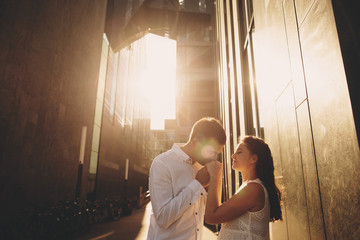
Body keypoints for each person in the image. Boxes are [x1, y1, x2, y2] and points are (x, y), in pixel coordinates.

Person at [147, 117, 226, 240]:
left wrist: (215, 181)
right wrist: (198, 184)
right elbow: (162, 218)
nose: (214, 158)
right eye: (211, 151)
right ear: (196, 141)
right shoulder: (162, 163)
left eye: (217, 153)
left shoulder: (204, 168)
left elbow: (211, 215)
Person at [205, 136, 282, 240]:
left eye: (239, 152)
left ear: (253, 159)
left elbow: (211, 217)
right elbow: (216, 212)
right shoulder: (248, 186)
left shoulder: (254, 189)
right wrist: (217, 177)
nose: (233, 156)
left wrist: (215, 177)